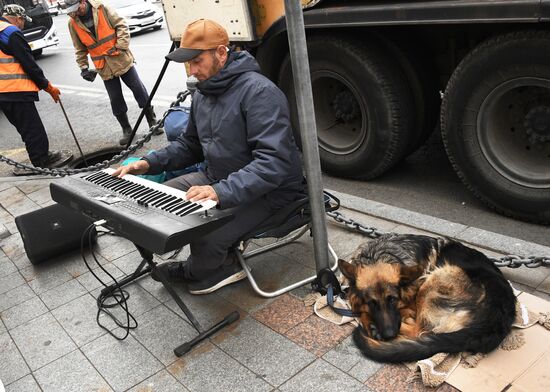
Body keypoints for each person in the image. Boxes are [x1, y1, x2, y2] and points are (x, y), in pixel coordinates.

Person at [112, 19, 305, 294]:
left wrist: (217, 193)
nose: (192, 71)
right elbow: (190, 145)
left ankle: (213, 268)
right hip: (218, 176)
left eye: (197, 61)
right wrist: (148, 163)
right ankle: (213, 253)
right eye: (188, 64)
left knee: (206, 232)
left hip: (271, 191)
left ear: (222, 53)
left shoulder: (259, 92)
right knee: (156, 203)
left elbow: (273, 163)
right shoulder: (204, 92)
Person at [65, 0, 162, 146]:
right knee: (115, 98)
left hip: (120, 59)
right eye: (72, 10)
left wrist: (121, 46)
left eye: (77, 8)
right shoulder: (72, 22)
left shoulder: (102, 8)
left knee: (138, 89)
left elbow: (121, 25)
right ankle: (127, 129)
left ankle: (152, 120)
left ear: (83, 1)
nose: (75, 12)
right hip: (104, 67)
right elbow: (79, 48)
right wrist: (83, 68)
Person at [0, 4, 69, 168]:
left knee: (25, 129)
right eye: (23, 21)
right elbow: (29, 64)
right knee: (33, 129)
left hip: (2, 94)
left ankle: (38, 156)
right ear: (19, 18)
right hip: (15, 89)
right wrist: (48, 87)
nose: (23, 25)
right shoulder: (11, 32)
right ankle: (41, 161)